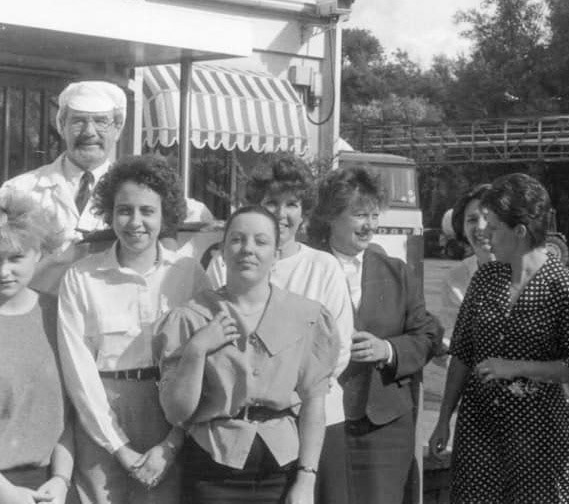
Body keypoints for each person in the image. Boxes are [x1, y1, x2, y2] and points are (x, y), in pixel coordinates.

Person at [427, 173, 569, 503]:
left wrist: (515, 366)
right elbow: (461, 353)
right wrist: (444, 419)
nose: (485, 234)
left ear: (519, 232)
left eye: (493, 227)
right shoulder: (485, 279)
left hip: (540, 436)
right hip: (480, 431)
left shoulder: (564, 289)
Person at [155, 205, 338, 504]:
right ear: (222, 251)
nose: (247, 249)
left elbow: (314, 403)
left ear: (276, 255)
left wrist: (306, 478)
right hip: (212, 471)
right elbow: (177, 413)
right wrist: (197, 350)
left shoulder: (307, 317)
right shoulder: (191, 317)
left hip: (281, 471)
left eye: (261, 242)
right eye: (237, 240)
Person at [57, 155, 210, 504]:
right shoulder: (82, 277)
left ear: (165, 215)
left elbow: (205, 363)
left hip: (170, 412)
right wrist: (118, 447)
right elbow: (78, 371)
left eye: (147, 211)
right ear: (109, 213)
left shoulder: (188, 274)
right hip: (100, 416)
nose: (135, 222)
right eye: (124, 210)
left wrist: (172, 444)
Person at [205, 153, 354, 504]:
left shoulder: (323, 267)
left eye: (292, 204)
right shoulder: (223, 264)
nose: (281, 214)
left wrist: (288, 398)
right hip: (242, 428)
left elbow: (339, 350)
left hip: (316, 419)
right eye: (271, 202)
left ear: (305, 211)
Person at [307, 166, 444, 504]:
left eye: (373, 214)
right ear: (331, 216)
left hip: (384, 427)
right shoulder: (306, 267)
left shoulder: (397, 271)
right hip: (318, 420)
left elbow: (427, 334)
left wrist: (388, 349)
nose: (370, 224)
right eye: (358, 214)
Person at [0, 81, 127, 295]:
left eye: (100, 122)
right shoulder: (18, 190)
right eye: (78, 121)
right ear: (61, 125)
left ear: (117, 128)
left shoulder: (133, 195)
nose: (89, 132)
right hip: (36, 318)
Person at [0, 194, 74, 504]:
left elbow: (69, 411)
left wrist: (61, 480)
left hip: (49, 487)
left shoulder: (60, 315)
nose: (4, 271)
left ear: (38, 252)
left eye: (15, 257)